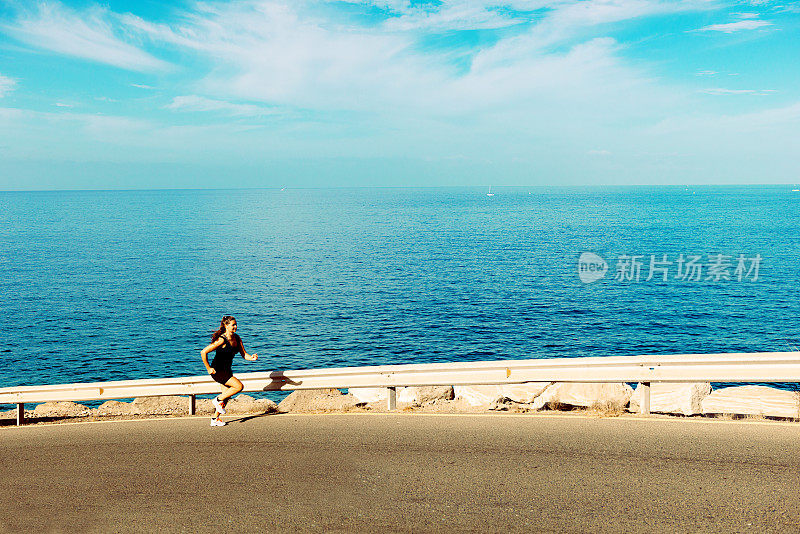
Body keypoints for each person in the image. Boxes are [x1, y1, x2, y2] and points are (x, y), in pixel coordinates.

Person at [200, 315, 258, 426]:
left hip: (227, 370)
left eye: (236, 324)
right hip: (217, 371)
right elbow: (203, 352)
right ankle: (217, 400)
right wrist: (208, 368)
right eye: (233, 325)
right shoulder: (221, 340)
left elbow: (244, 354)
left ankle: (214, 419)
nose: (235, 327)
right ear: (226, 326)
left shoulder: (237, 338)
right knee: (239, 386)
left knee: (226, 395)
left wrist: (252, 358)